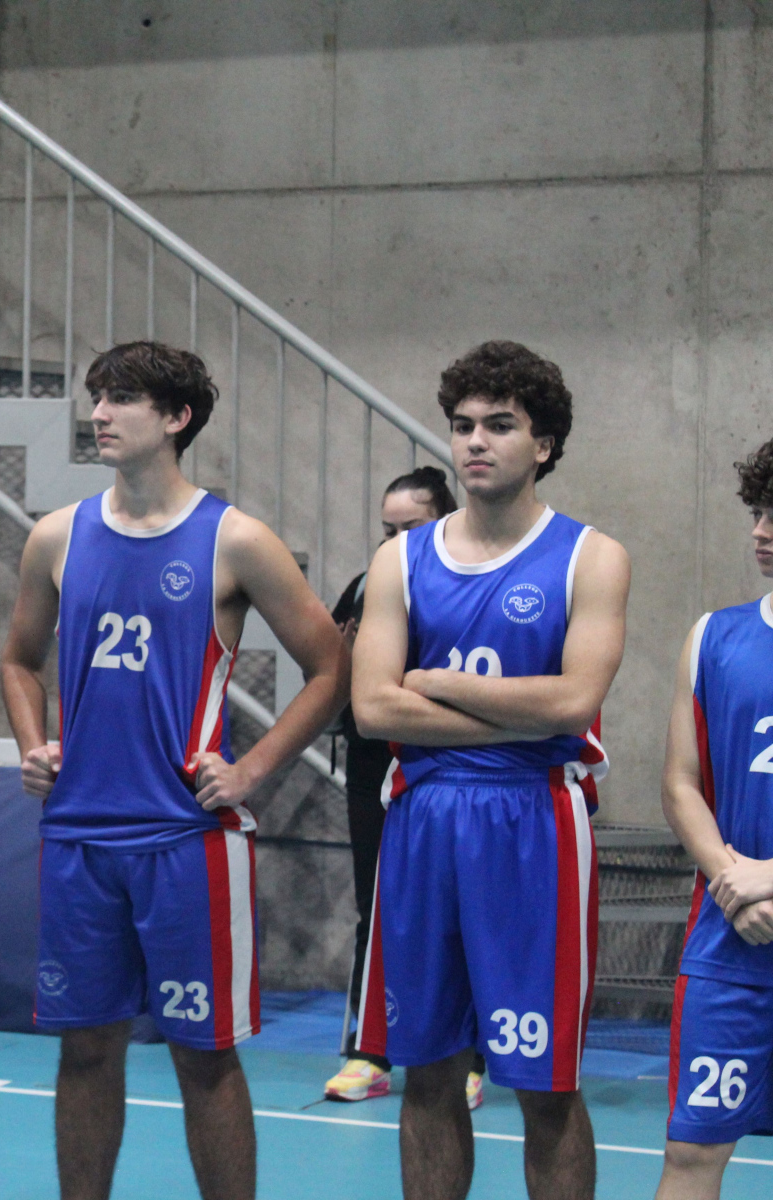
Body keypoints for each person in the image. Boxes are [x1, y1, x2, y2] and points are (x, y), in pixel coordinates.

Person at [0, 341, 350, 1200]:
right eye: (96, 396)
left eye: (121, 398)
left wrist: (253, 768)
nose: (99, 413)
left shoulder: (236, 539)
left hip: (187, 840)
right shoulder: (57, 535)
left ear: (176, 417)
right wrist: (34, 742)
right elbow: (17, 661)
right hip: (79, 837)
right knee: (86, 1049)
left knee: (204, 1056)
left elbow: (332, 666)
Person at [353, 341, 628, 1200]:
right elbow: (372, 709)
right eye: (464, 425)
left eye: (500, 425)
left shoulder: (591, 556)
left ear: (543, 444)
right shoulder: (401, 559)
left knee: (545, 1084)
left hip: (534, 822)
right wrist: (513, 709)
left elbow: (573, 703)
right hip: (424, 821)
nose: (476, 441)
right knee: (427, 1070)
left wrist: (436, 682)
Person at [323, 467, 491, 1110]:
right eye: (386, 529)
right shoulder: (370, 584)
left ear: (443, 518)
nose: (394, 540)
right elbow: (342, 679)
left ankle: (471, 1057)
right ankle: (370, 1051)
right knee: (378, 906)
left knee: (470, 915)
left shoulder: (471, 585)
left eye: (409, 527)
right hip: (377, 769)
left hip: (459, 770)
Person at [653, 438, 773, 1199]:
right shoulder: (714, 636)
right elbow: (680, 783)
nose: (761, 530)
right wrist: (734, 881)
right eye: (758, 510)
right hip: (731, 943)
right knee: (692, 1154)